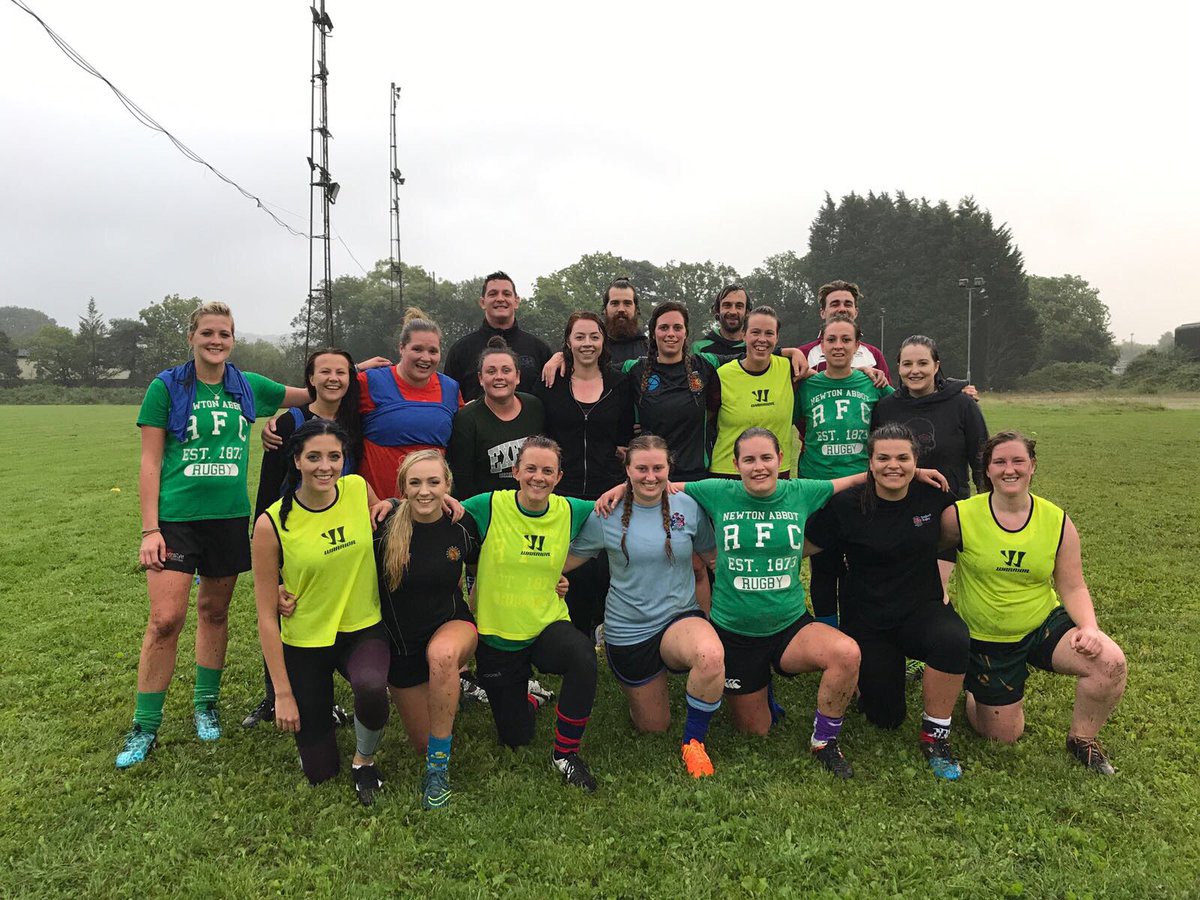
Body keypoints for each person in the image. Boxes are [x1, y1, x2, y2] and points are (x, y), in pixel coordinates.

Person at [598, 427, 925, 778]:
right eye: (749, 460)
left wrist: (909, 471)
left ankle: (825, 742)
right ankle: (757, 690)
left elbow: (850, 481)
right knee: (755, 730)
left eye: (766, 458)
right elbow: (661, 484)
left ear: (781, 460)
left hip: (788, 625)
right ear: (735, 464)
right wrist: (623, 485)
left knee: (846, 653)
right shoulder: (717, 491)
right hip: (735, 634)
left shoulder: (800, 491)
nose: (759, 467)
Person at [116, 301, 313, 769]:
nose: (216, 341)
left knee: (214, 611)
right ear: (192, 337)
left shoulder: (247, 386)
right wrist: (150, 529)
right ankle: (145, 725)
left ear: (232, 339)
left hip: (228, 519)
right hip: (176, 521)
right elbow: (149, 462)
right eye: (207, 333)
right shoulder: (166, 387)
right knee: (165, 619)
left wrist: (358, 372)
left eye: (224, 334)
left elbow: (313, 391)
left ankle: (206, 704)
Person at [940, 431, 1127, 774]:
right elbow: (934, 554)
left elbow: (1072, 585)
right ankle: (974, 690)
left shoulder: (1057, 521)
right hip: (987, 635)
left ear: (1032, 466)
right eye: (999, 462)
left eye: (1017, 461)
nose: (1009, 469)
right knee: (1003, 735)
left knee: (1110, 662)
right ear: (987, 469)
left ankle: (1082, 740)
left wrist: (1089, 627)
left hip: (1042, 624)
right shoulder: (960, 515)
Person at [805, 424, 969, 780]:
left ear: (916, 462)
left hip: (920, 610)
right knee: (886, 718)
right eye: (883, 457)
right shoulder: (847, 505)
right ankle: (884, 678)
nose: (892, 465)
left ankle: (935, 737)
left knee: (953, 639)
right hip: (867, 619)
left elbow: (954, 540)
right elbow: (805, 546)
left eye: (902, 458)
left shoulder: (934, 497)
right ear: (870, 462)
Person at [252, 420, 394, 804]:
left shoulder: (356, 489)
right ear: (296, 460)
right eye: (313, 457)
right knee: (319, 772)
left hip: (361, 627)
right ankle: (319, 726)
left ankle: (364, 760)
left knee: (371, 689)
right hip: (306, 638)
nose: (325, 466)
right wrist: (282, 693)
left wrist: (395, 503)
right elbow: (266, 614)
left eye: (334, 456)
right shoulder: (271, 523)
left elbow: (385, 516)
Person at [566, 436, 724, 778]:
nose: (650, 476)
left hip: (679, 618)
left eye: (658, 468)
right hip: (629, 630)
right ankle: (644, 688)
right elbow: (567, 560)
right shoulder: (607, 513)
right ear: (627, 470)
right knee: (654, 727)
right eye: (641, 468)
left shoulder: (688, 506)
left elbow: (713, 560)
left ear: (669, 469)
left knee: (710, 655)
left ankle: (694, 743)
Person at [459, 436, 602, 791]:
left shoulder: (571, 509)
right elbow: (438, 509)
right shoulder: (489, 505)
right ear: (515, 471)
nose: (539, 477)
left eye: (548, 471)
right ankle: (527, 697)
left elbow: (616, 504)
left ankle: (565, 754)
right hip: (499, 635)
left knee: (583, 655)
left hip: (546, 625)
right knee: (515, 737)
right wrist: (385, 506)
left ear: (558, 477)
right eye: (532, 468)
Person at [244, 347, 362, 729]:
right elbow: (266, 493)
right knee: (286, 610)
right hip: (292, 536)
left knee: (325, 615)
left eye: (341, 372)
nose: (333, 379)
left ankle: (320, 698)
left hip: (337, 536)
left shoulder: (355, 421)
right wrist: (273, 565)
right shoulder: (287, 424)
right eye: (323, 372)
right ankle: (274, 697)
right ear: (309, 379)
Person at [375, 450, 480, 810]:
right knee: (422, 741)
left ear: (447, 486)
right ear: (402, 487)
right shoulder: (384, 527)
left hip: (453, 626)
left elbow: (494, 566)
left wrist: (555, 580)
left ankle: (438, 770)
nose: (425, 491)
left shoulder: (462, 525)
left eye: (434, 482)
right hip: (402, 646)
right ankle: (449, 690)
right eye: (415, 483)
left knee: (442, 657)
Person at [534, 312, 634, 636]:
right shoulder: (552, 382)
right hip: (564, 488)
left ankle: (600, 625)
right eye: (579, 337)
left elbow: (623, 437)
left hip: (608, 489)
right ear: (568, 341)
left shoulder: (619, 383)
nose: (587, 343)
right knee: (569, 563)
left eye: (594, 336)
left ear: (603, 341)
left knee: (606, 565)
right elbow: (543, 433)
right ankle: (572, 629)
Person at [794, 313, 895, 628]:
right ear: (821, 345)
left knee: (860, 566)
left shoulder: (873, 383)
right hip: (818, 489)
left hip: (861, 490)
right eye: (831, 339)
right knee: (823, 566)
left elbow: (912, 406)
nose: (838, 346)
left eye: (845, 340)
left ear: (857, 346)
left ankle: (858, 630)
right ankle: (828, 633)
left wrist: (956, 393)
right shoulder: (805, 386)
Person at [872, 334, 988, 599]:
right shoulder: (886, 407)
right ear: (898, 367)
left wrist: (986, 505)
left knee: (934, 591)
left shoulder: (963, 405)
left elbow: (981, 458)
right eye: (907, 364)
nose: (914, 371)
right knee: (895, 588)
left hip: (946, 512)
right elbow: (876, 457)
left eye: (922, 363)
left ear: (936, 366)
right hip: (897, 509)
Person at [625, 301, 723, 482]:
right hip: (650, 477)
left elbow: (748, 355)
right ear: (653, 333)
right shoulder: (635, 369)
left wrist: (789, 353)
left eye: (677, 327)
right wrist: (560, 358)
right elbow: (595, 369)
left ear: (685, 332)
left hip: (694, 476)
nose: (671, 334)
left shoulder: (704, 365)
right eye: (664, 328)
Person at [446, 336, 545, 500]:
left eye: (506, 370)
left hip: (532, 506)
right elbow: (463, 481)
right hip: (487, 511)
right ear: (480, 379)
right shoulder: (467, 419)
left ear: (518, 376)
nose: (499, 377)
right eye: (491, 371)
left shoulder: (535, 407)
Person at [710, 306, 797, 478]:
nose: (762, 339)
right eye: (755, 332)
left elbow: (830, 377)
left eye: (769, 333)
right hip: (729, 472)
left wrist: (866, 371)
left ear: (777, 337)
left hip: (776, 472)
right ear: (744, 335)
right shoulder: (722, 375)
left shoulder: (790, 369)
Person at [443, 271, 553, 403]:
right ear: (482, 302)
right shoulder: (460, 350)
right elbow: (449, 400)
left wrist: (560, 356)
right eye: (493, 294)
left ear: (516, 301)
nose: (500, 299)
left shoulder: (539, 349)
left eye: (506, 294)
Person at [798, 280, 891, 383]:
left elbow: (888, 397)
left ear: (856, 312)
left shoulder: (874, 355)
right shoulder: (802, 354)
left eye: (848, 304)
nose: (842, 309)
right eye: (835, 304)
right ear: (823, 312)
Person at [602, 277, 649, 366]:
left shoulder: (650, 350)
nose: (621, 309)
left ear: (636, 309)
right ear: (605, 309)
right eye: (615, 303)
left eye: (627, 303)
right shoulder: (594, 349)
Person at [692, 284, 750, 356]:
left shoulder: (754, 348)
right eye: (727, 305)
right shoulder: (699, 348)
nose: (733, 312)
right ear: (718, 310)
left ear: (747, 312)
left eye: (739, 306)